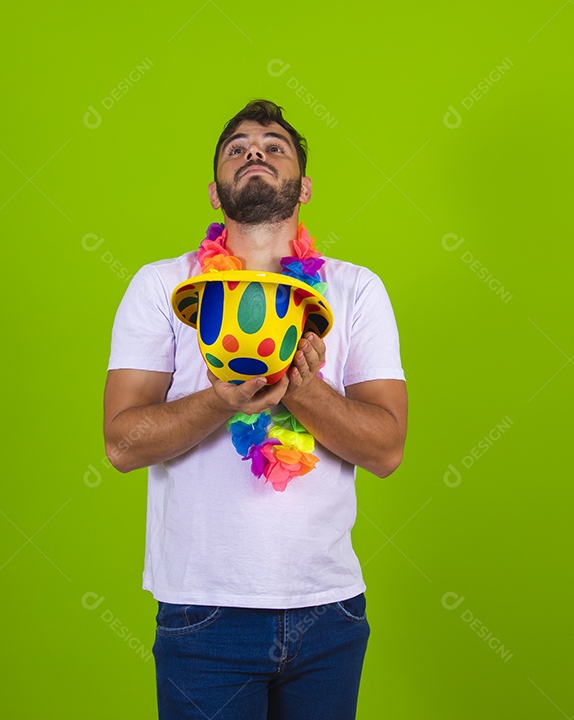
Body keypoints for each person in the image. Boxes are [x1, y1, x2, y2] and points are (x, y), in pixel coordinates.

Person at [102, 98, 408, 720]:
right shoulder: (165, 287)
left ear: (304, 185)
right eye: (236, 149)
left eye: (274, 146)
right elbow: (122, 444)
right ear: (216, 191)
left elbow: (387, 449)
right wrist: (221, 398)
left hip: (330, 609)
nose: (255, 154)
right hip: (203, 613)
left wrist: (301, 386)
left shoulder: (356, 290)